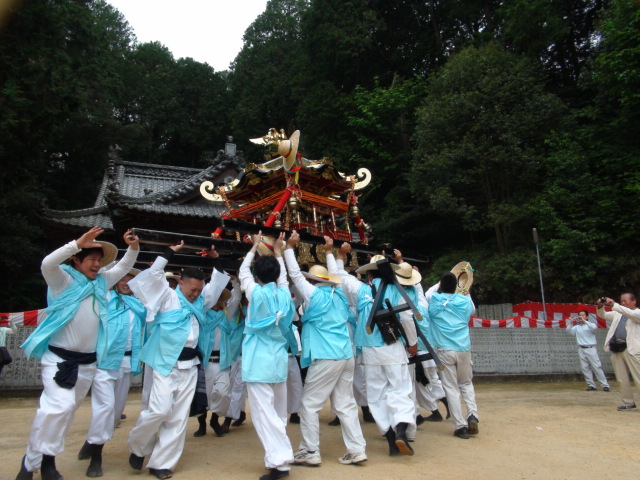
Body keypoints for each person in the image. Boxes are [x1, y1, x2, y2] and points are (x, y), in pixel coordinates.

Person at [15, 226, 139, 480]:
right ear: (77, 260)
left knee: (65, 413)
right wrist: (76, 243)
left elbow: (124, 266)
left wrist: (133, 247)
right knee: (56, 409)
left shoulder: (102, 282)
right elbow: (47, 264)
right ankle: (35, 463)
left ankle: (39, 462)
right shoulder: (64, 280)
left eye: (99, 260)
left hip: (89, 364)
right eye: (91, 259)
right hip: (60, 360)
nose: (96, 264)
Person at [126, 242, 229, 479]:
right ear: (180, 282)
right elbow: (152, 276)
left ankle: (162, 464)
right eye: (191, 289)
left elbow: (219, 281)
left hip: (190, 365)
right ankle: (139, 447)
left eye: (198, 290)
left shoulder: (201, 301)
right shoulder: (166, 297)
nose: (195, 293)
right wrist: (169, 253)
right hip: (165, 363)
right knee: (159, 411)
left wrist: (215, 258)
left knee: (178, 417)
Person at [284, 233, 367, 467]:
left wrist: (289, 249)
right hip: (346, 355)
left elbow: (294, 275)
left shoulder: (312, 294)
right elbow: (339, 276)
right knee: (345, 404)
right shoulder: (339, 295)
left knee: (309, 405)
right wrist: (331, 253)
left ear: (313, 280)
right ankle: (356, 450)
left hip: (327, 357)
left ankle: (311, 450)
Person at [328, 243, 419, 456]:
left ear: (369, 276)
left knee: (377, 395)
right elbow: (406, 317)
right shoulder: (399, 289)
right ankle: (401, 432)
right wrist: (412, 342)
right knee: (400, 390)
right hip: (393, 346)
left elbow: (338, 275)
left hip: (368, 350)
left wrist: (339, 255)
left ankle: (390, 441)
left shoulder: (361, 289)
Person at [77, 268, 146, 477]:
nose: (126, 282)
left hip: (126, 363)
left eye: (130, 279)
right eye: (122, 278)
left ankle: (91, 441)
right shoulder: (106, 298)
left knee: (115, 413)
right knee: (105, 408)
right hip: (105, 363)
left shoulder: (140, 305)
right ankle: (97, 456)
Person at [239, 232, 296, 480]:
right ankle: (276, 459)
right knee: (278, 412)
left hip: (258, 361)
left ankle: (280, 461)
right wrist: (279, 252)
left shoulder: (256, 293)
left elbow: (242, 272)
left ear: (257, 276)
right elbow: (283, 278)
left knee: (265, 414)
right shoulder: (285, 295)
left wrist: (253, 248)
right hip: (278, 359)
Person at [426, 272, 478, 440]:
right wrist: (466, 286)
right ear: (456, 286)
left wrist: (440, 283)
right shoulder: (464, 302)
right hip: (463, 349)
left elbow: (427, 293)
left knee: (450, 387)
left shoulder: (434, 301)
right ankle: (472, 414)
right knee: (466, 383)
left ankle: (460, 426)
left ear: (440, 285)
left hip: (444, 350)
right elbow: (472, 308)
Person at [193, 288, 233, 437]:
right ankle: (202, 425)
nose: (218, 302)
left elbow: (235, 301)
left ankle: (214, 419)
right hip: (205, 362)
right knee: (204, 395)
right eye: (215, 298)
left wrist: (235, 284)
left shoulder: (226, 315)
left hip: (222, 362)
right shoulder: (202, 315)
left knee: (223, 393)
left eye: (220, 299)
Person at [598, 294, 640, 411]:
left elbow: (631, 314)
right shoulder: (618, 313)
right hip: (617, 348)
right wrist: (600, 306)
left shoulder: (637, 313)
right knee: (622, 378)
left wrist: (614, 304)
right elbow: (603, 315)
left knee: (638, 377)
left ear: (634, 301)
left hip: (632, 349)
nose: (623, 303)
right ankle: (628, 403)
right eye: (621, 301)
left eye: (625, 301)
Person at [222, 278, 248, 430]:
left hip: (248, 354)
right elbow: (236, 297)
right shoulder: (232, 310)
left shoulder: (254, 311)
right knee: (232, 386)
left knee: (238, 386)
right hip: (232, 354)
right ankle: (241, 412)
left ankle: (228, 419)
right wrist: (236, 284)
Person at [566, 310, 610, 392]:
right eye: (580, 315)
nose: (581, 317)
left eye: (583, 315)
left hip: (591, 348)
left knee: (597, 367)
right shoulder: (577, 327)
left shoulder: (590, 325)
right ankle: (591, 385)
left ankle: (605, 385)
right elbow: (569, 331)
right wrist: (570, 322)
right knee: (585, 368)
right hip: (581, 349)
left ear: (587, 317)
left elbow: (594, 328)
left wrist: (585, 321)